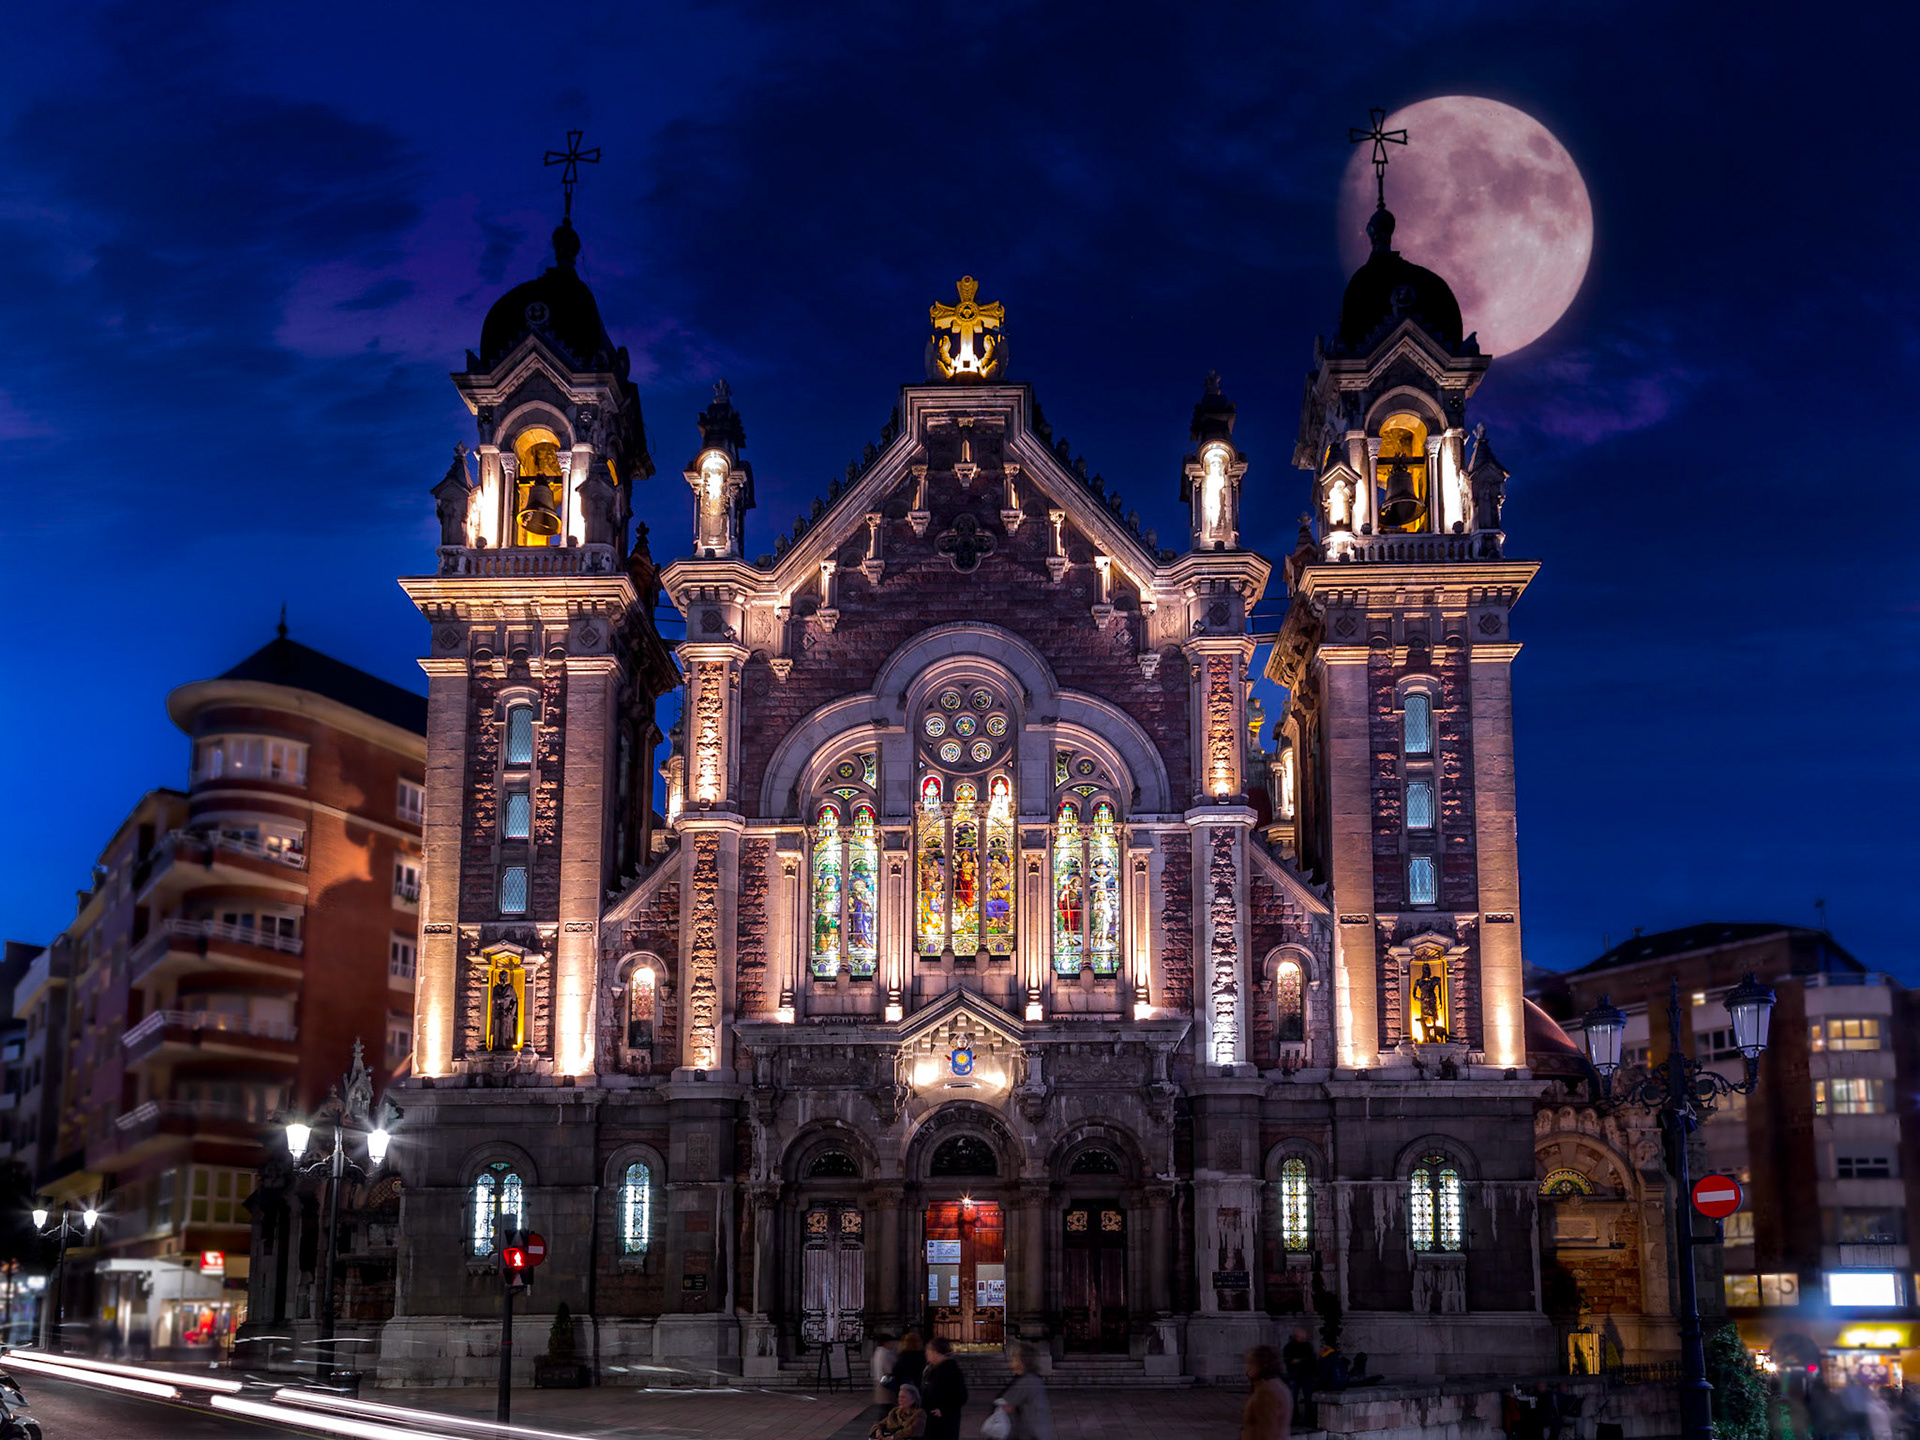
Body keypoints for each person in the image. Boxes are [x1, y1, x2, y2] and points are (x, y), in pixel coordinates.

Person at [993, 1344, 1054, 1440]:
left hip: (1031, 1435)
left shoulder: (1027, 1381)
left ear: (1022, 1360)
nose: (1011, 1358)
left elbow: (1005, 1404)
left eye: (1015, 1356)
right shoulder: (1029, 1379)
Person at [920, 1336, 969, 1440]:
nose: (926, 1355)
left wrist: (943, 1410)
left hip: (945, 1421)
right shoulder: (931, 1369)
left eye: (929, 1352)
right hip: (931, 1419)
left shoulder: (950, 1371)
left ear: (936, 1352)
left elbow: (961, 1396)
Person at [1243, 1344, 1292, 1440]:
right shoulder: (1276, 1385)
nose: (1247, 1367)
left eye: (1251, 1362)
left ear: (1262, 1365)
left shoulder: (1266, 1391)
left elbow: (1267, 1430)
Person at [1282, 1328, 1316, 1421]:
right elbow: (1287, 1360)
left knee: (1308, 1397)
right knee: (1293, 1397)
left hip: (1306, 1374)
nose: (1302, 1338)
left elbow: (1312, 1360)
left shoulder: (1307, 1346)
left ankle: (1309, 1417)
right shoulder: (1289, 1347)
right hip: (1295, 1374)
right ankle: (1294, 1417)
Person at [894, 1331, 927, 1397]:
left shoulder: (903, 1355)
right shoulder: (922, 1355)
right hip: (919, 1382)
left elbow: (896, 1371)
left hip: (905, 1383)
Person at [872, 1333, 899, 1405]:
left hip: (880, 1380)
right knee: (887, 1405)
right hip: (886, 1382)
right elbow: (890, 1369)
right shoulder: (886, 1353)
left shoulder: (878, 1352)